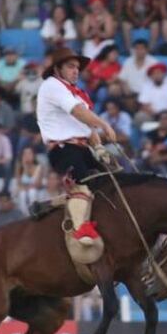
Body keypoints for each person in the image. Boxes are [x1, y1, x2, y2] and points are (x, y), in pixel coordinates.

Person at [35, 48, 116, 245]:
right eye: (71, 66)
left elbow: (87, 127)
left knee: (111, 186)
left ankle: (56, 203)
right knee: (85, 185)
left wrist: (99, 148)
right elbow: (79, 113)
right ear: (57, 69)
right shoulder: (52, 85)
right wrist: (105, 124)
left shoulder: (76, 93)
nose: (76, 71)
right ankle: (82, 230)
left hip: (82, 148)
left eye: (77, 68)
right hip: (63, 149)